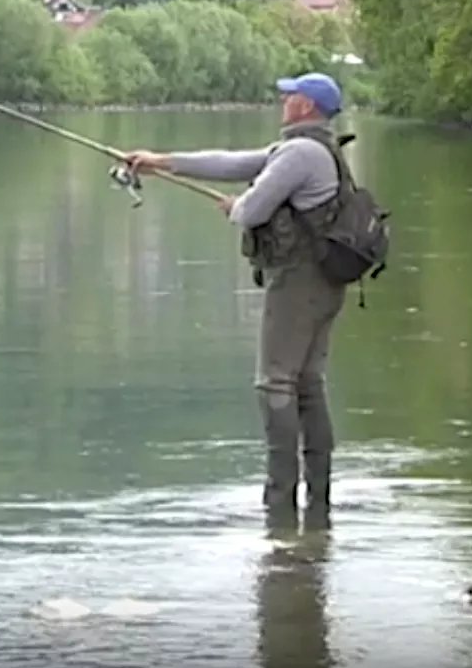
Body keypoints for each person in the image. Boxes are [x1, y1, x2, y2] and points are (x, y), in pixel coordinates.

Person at [123, 72, 353, 529]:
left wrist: (234, 209)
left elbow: (251, 209)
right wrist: (160, 162)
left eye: (289, 96)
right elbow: (232, 163)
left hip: (298, 282)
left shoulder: (300, 153)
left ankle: (280, 499)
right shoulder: (310, 149)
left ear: (306, 106)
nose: (282, 101)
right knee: (307, 382)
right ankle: (317, 500)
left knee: (276, 383)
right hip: (324, 282)